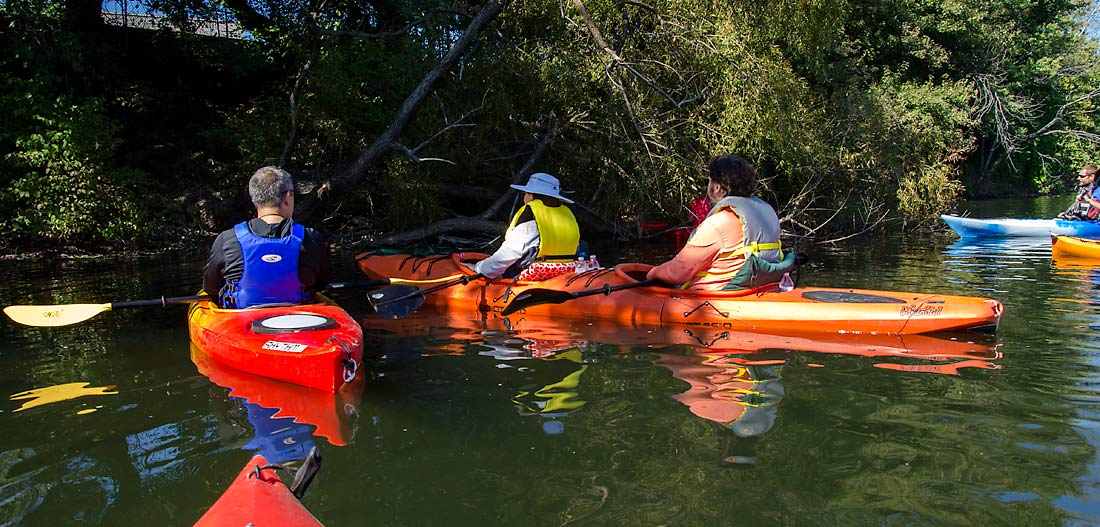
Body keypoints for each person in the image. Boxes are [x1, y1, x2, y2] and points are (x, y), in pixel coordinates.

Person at [647, 155, 794, 290]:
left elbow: (678, 272)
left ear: (717, 187)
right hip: (762, 289)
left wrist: (652, 273)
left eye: (709, 181)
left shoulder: (719, 223)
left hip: (716, 299)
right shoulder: (767, 212)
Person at [204, 166, 330, 308]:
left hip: (241, 320)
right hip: (300, 319)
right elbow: (321, 284)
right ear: (288, 197)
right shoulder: (312, 239)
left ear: (254, 198)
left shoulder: (226, 240)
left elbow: (211, 288)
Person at [472, 172, 581, 281]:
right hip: (562, 276)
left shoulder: (532, 221)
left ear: (531, 195)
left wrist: (479, 268)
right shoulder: (566, 216)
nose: (524, 196)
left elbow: (507, 255)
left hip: (530, 279)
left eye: (525, 193)